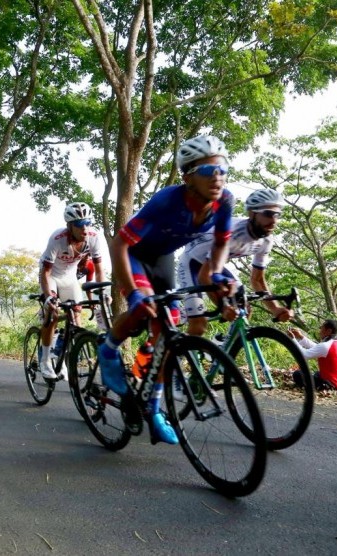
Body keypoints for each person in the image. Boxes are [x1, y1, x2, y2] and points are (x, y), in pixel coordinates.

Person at [97, 134, 235, 444]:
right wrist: (132, 292)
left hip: (163, 259)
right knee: (141, 305)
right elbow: (120, 243)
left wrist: (215, 273)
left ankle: (153, 406)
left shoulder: (224, 200)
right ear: (187, 177)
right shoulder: (167, 201)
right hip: (134, 255)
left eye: (222, 170)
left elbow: (221, 244)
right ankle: (107, 350)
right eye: (206, 171)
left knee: (169, 329)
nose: (217, 178)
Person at [178, 188, 293, 335]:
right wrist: (222, 306)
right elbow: (204, 276)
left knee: (243, 309)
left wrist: (275, 308)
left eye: (277, 214)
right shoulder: (233, 234)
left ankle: (223, 347)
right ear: (252, 213)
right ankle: (172, 354)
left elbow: (257, 280)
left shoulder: (266, 241)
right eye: (268, 214)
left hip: (214, 267)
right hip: (192, 265)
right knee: (198, 326)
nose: (274, 220)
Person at [38, 202, 106, 379]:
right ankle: (45, 361)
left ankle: (65, 359)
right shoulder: (57, 238)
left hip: (69, 278)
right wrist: (48, 298)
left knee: (76, 320)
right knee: (52, 314)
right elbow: (45, 272)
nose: (85, 228)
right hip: (52, 276)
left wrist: (103, 293)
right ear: (69, 226)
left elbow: (99, 270)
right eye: (79, 225)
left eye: (88, 223)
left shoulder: (93, 237)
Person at [289, 319, 337, 391]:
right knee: (317, 373)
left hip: (332, 384)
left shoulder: (326, 346)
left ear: (329, 331)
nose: (320, 330)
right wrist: (300, 337)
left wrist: (292, 339)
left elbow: (304, 355)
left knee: (297, 374)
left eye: (322, 328)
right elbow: (317, 348)